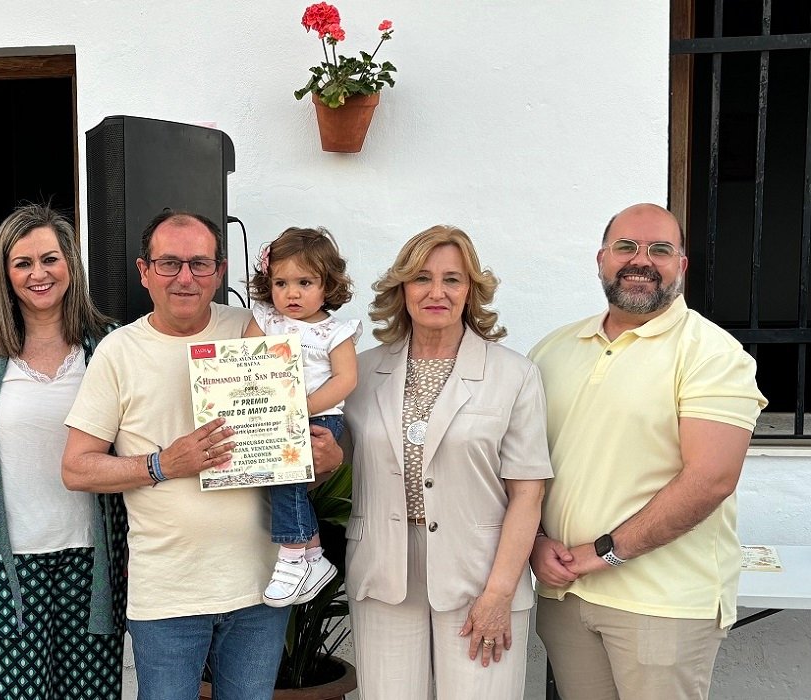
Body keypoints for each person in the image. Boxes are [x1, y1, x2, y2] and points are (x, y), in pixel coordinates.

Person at [62, 210, 347, 700]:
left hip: (261, 587)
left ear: (219, 270)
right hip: (168, 595)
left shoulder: (258, 331)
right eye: (169, 263)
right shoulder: (118, 351)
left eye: (199, 263)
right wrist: (162, 464)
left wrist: (327, 459)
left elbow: (292, 444)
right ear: (144, 271)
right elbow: (76, 467)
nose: (185, 277)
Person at [528, 203, 767, 700]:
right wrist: (536, 538)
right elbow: (524, 463)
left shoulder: (712, 354)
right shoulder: (553, 350)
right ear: (601, 259)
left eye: (660, 249)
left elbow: (711, 478)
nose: (641, 260)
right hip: (565, 593)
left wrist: (606, 552)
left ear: (681, 265)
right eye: (626, 247)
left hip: (663, 605)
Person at [342, 225, 550, 699]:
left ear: (471, 290)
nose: (436, 292)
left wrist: (498, 594)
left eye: (452, 279)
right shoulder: (361, 372)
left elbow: (527, 494)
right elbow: (336, 470)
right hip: (384, 569)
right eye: (421, 278)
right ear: (402, 289)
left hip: (481, 574)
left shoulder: (514, 375)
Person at [0, 204, 126, 700]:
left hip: (91, 555)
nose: (38, 274)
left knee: (88, 692)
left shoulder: (109, 346)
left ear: (71, 264)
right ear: (5, 273)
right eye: (22, 263)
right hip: (3, 561)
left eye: (50, 259)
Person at [244, 226, 360, 607]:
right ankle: (312, 558)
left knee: (285, 479)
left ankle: (293, 556)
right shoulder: (265, 319)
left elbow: (347, 379)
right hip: (271, 417)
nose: (291, 293)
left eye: (305, 282)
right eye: (281, 283)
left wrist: (301, 407)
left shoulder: (334, 331)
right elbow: (248, 359)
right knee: (281, 482)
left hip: (318, 419)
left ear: (327, 285)